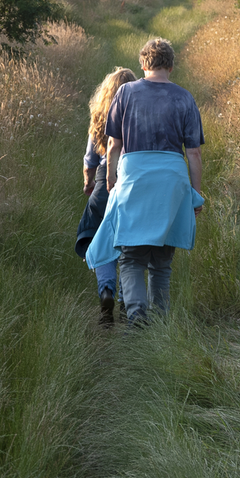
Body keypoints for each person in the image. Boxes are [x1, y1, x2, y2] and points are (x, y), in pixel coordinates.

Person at [84, 37, 205, 327]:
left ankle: (136, 318)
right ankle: (160, 322)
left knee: (132, 256)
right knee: (162, 260)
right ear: (171, 66)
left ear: (143, 64)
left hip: (134, 178)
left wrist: (111, 179)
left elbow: (113, 144)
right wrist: (195, 194)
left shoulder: (125, 92)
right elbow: (194, 152)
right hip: (172, 179)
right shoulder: (184, 98)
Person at [76, 66, 137, 326]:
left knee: (100, 239)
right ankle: (125, 300)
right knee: (129, 241)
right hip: (133, 179)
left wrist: (89, 183)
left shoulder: (100, 115)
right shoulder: (137, 113)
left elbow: (90, 160)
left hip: (104, 180)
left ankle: (106, 290)